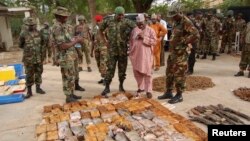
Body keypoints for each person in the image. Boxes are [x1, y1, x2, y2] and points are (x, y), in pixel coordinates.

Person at [157, 2, 199, 104]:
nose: (173, 17)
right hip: (173, 53)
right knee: (169, 73)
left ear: (179, 12)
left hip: (180, 54)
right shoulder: (176, 21)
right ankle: (169, 92)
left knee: (179, 74)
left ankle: (179, 95)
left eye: (174, 15)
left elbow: (196, 34)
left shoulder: (186, 21)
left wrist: (184, 41)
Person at [100, 6, 136, 97]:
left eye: (122, 15)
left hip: (123, 50)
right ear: (115, 14)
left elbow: (136, 28)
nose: (121, 17)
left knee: (122, 70)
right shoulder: (108, 21)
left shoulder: (126, 21)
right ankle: (107, 87)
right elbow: (100, 30)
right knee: (110, 69)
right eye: (119, 15)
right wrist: (105, 41)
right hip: (112, 50)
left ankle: (121, 86)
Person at [51, 7, 84, 103]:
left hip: (70, 55)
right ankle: (68, 97)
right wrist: (76, 41)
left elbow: (68, 39)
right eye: (64, 16)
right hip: (65, 57)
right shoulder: (57, 27)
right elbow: (62, 46)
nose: (66, 17)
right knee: (67, 77)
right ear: (58, 16)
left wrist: (75, 38)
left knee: (72, 76)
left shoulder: (63, 26)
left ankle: (71, 93)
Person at [129, 14, 157, 98]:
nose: (140, 25)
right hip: (135, 55)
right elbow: (131, 42)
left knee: (147, 73)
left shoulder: (150, 30)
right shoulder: (134, 30)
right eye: (138, 23)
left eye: (141, 23)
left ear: (145, 21)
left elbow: (154, 42)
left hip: (146, 55)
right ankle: (141, 88)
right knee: (137, 72)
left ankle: (148, 90)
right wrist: (130, 52)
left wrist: (144, 37)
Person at [19, 17, 46, 98]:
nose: (31, 26)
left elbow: (43, 43)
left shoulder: (39, 33)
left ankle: (38, 88)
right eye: (29, 25)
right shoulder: (23, 33)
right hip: (28, 59)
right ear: (26, 25)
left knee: (39, 72)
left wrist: (42, 56)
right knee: (29, 74)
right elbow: (20, 45)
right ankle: (29, 91)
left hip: (38, 58)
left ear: (35, 25)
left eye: (33, 25)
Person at [91, 15, 107, 85]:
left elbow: (109, 39)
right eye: (97, 21)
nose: (98, 22)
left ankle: (106, 79)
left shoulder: (106, 28)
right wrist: (91, 51)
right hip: (96, 49)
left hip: (104, 48)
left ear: (102, 20)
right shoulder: (94, 29)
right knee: (98, 64)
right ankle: (103, 77)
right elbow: (92, 40)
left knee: (103, 63)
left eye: (99, 21)